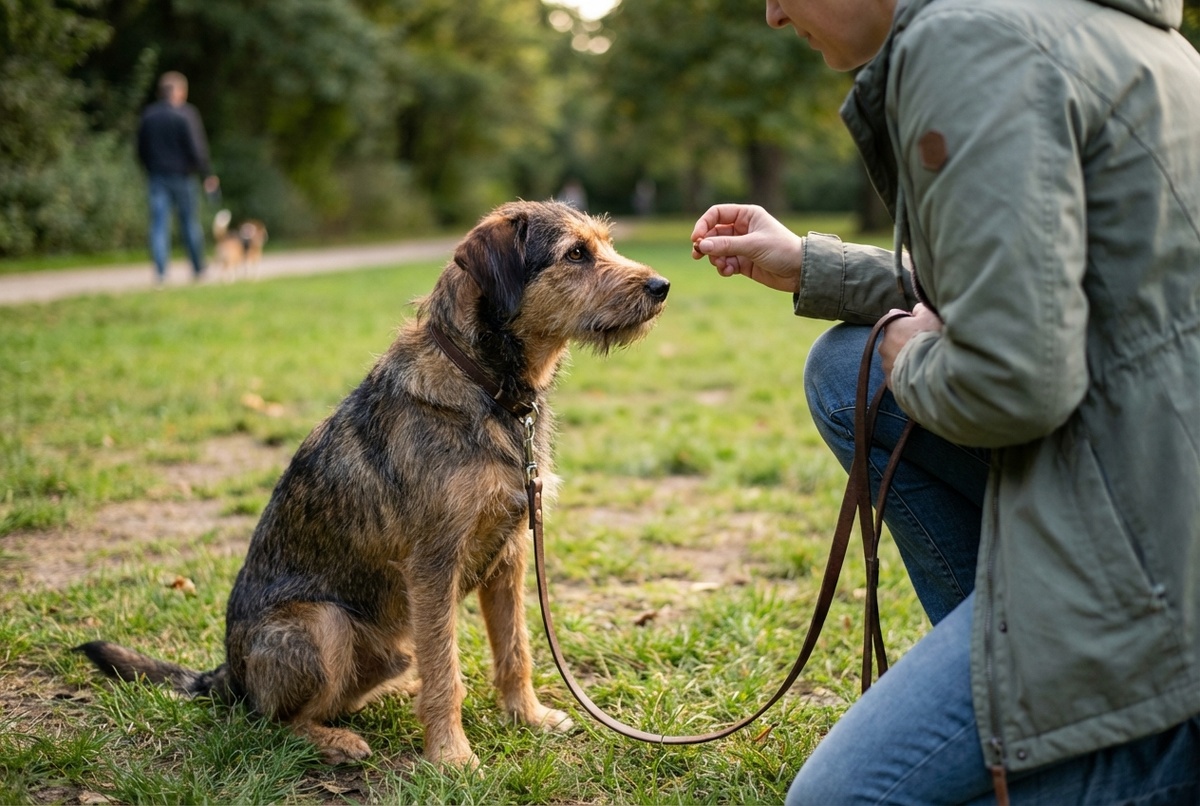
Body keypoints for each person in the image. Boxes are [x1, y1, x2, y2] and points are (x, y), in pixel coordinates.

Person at [692, 0, 1200, 802]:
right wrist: (810, 264)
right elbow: (1029, 284)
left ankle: (1099, 730)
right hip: (1151, 475)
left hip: (1154, 567)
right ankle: (1018, 683)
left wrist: (913, 354)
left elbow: (1015, 382)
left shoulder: (966, 42)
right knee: (845, 369)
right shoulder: (1056, 18)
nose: (773, 15)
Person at [136, 71, 219, 284]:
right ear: (180, 92)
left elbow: (140, 149)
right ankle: (198, 268)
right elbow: (197, 148)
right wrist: (207, 174)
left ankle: (161, 272)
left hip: (157, 176)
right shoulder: (186, 114)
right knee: (189, 223)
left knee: (159, 224)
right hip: (183, 177)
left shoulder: (149, 115)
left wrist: (149, 167)